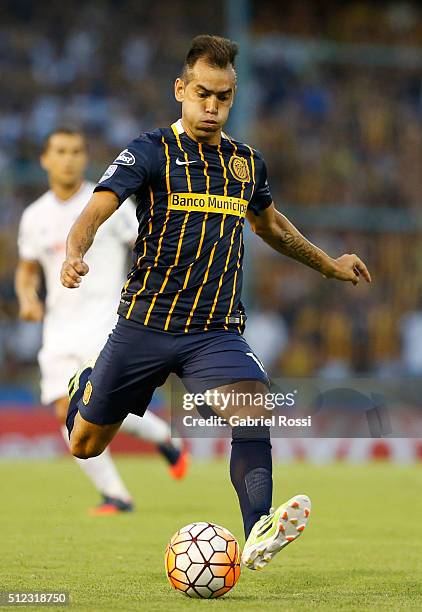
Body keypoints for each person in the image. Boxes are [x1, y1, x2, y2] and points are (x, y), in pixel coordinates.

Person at [61, 36, 371, 568]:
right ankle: (86, 386)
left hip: (216, 330)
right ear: (180, 89)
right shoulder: (149, 151)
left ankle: (257, 530)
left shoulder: (246, 164)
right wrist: (74, 252)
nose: (211, 106)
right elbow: (95, 211)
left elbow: (270, 226)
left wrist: (328, 264)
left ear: (233, 98)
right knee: (85, 445)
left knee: (253, 407)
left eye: (223, 97)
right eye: (201, 93)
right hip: (146, 323)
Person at [15, 128, 188, 515]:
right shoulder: (34, 216)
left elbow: (148, 246)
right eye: (60, 150)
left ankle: (118, 493)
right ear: (45, 159)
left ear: (84, 157)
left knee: (85, 409)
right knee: (70, 412)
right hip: (58, 333)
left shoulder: (109, 206)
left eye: (76, 150)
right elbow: (27, 270)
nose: (69, 158)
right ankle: (154, 450)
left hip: (106, 324)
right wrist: (28, 298)